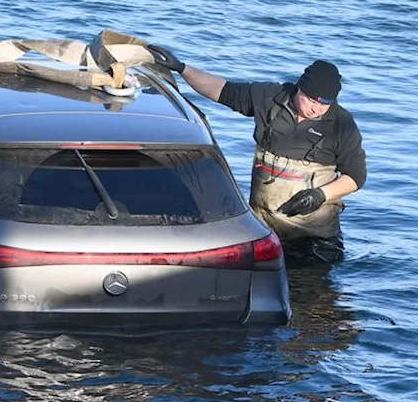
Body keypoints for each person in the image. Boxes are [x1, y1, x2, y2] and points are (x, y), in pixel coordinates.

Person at [146, 45, 367, 264]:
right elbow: (221, 90)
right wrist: (182, 68)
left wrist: (320, 195)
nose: (316, 109)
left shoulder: (341, 124)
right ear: (300, 88)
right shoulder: (270, 98)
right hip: (267, 230)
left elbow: (356, 176)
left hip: (316, 239)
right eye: (311, 101)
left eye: (324, 104)